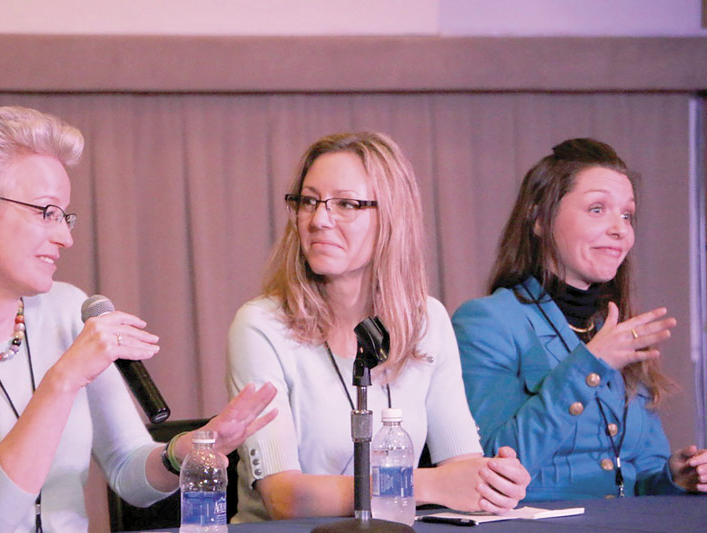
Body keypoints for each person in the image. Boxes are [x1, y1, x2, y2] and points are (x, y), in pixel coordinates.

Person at [0, 106, 277, 532]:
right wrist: (63, 378)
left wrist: (183, 452)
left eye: (65, 216)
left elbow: (127, 468)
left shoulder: (68, 308)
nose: (65, 236)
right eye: (46, 212)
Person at [225, 131, 530, 523]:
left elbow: (462, 464)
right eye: (309, 201)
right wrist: (427, 484)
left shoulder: (427, 321)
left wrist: (491, 481)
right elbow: (284, 498)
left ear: (392, 217)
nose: (319, 220)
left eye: (346, 204)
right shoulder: (261, 326)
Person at [452, 138, 707, 500]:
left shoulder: (616, 325)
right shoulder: (486, 322)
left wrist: (674, 477)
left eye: (627, 215)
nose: (620, 229)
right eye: (598, 209)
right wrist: (591, 364)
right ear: (540, 219)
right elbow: (493, 465)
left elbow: (641, 469)